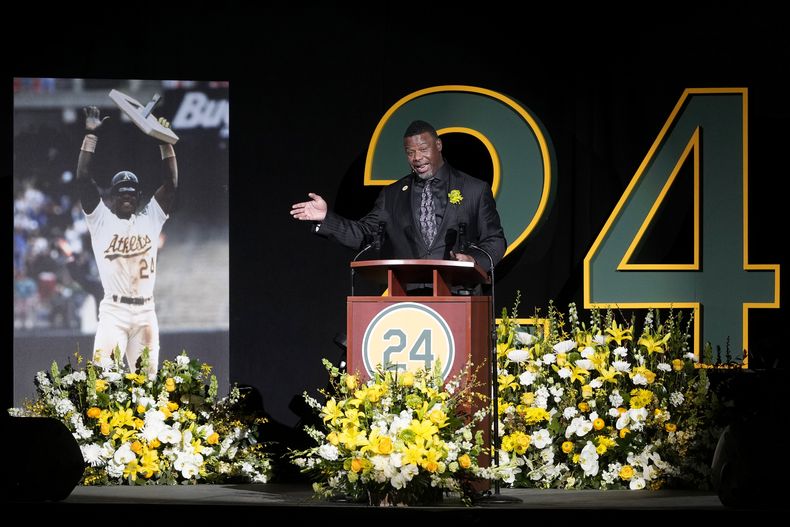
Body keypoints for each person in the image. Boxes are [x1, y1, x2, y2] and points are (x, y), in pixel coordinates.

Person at [290, 120, 506, 276]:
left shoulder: (474, 189)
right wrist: (326, 218)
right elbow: (365, 235)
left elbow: (495, 240)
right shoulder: (392, 195)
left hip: (459, 294)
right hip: (406, 297)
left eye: (423, 149)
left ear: (438, 145)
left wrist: (473, 260)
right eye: (410, 152)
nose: (417, 158)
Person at [76, 106, 178, 375]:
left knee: (147, 385)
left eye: (132, 193)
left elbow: (171, 182)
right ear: (111, 196)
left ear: (139, 196)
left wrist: (164, 142)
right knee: (103, 378)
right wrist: (90, 136)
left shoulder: (151, 218)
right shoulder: (100, 219)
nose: (126, 196)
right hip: (114, 310)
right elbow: (83, 179)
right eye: (121, 192)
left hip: (146, 311)